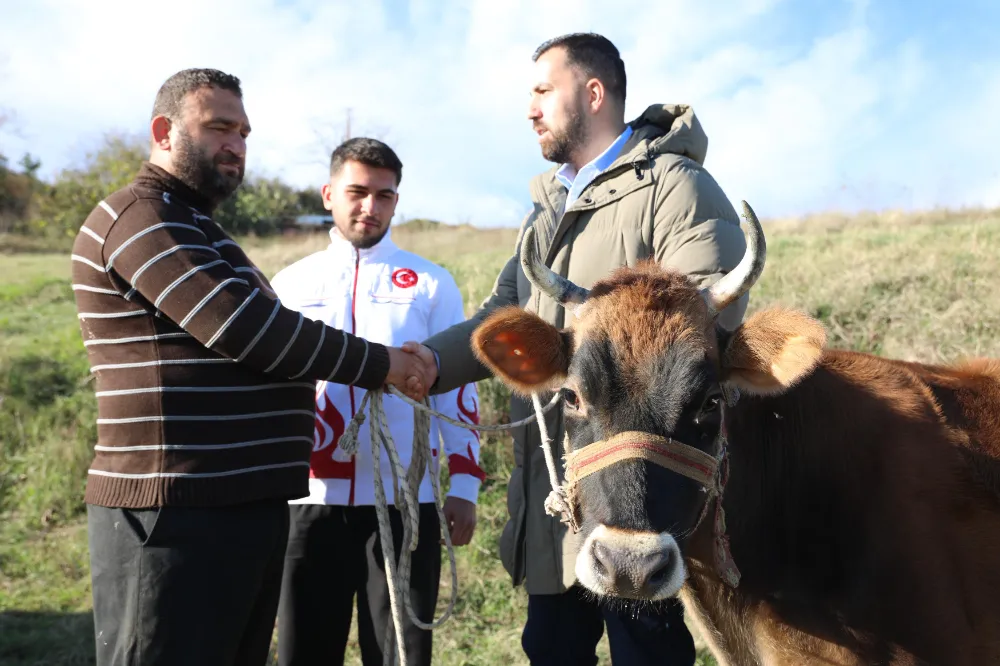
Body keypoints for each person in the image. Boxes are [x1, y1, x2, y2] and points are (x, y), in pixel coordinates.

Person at [405, 33, 749, 665]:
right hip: (560, 499)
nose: (530, 109)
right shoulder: (545, 214)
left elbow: (702, 326)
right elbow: (499, 318)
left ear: (593, 93)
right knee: (551, 650)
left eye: (542, 90)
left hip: (644, 501)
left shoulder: (676, 188)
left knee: (648, 653)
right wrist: (426, 363)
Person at [70, 68, 433, 666]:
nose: (235, 145)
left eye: (243, 132)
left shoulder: (200, 230)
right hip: (173, 513)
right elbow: (247, 330)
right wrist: (383, 365)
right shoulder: (138, 216)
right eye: (218, 127)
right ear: (164, 131)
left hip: (233, 510)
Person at [270, 137, 484, 666]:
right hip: (307, 502)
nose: (370, 207)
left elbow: (457, 387)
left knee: (400, 657)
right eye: (357, 192)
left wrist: (466, 483)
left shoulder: (431, 283)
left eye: (384, 196)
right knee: (304, 653)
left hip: (404, 504)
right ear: (328, 194)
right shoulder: (289, 284)